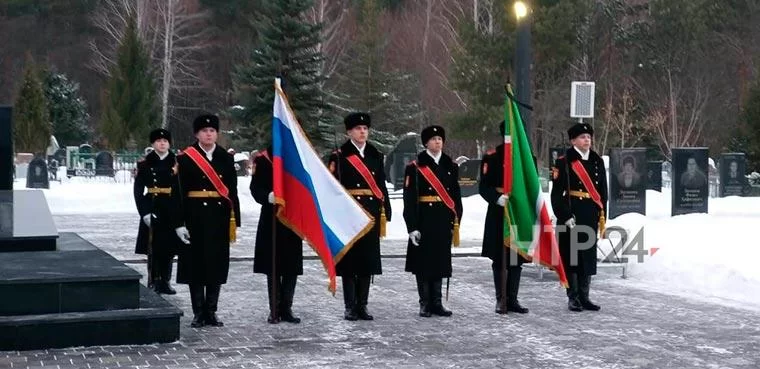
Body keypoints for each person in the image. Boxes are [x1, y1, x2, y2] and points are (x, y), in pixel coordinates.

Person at [172, 114, 241, 328]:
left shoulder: (226, 158)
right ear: (196, 134)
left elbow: (232, 190)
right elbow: (177, 193)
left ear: (217, 134)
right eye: (204, 131)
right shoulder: (185, 158)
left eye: (212, 131)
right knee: (196, 266)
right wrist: (178, 223)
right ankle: (198, 312)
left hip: (218, 218)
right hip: (194, 217)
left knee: (216, 265)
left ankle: (211, 311)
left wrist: (234, 220)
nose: (208, 134)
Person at [327, 112, 392, 321]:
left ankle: (363, 305)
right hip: (349, 212)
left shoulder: (375, 154)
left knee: (367, 261)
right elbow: (332, 187)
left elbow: (380, 184)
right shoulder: (339, 155)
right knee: (350, 262)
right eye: (358, 129)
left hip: (371, 213)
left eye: (365, 129)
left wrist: (386, 209)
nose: (362, 132)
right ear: (349, 132)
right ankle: (350, 306)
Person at [403, 125, 463, 317]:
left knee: (440, 262)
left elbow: (456, 196)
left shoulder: (450, 166)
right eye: (433, 139)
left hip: (443, 220)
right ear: (426, 143)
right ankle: (425, 303)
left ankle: (437, 302)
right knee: (423, 263)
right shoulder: (415, 167)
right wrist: (412, 227)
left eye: (440, 139)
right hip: (424, 220)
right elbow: (409, 199)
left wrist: (456, 220)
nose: (438, 142)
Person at [550, 122, 607, 312]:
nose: (587, 140)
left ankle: (585, 296)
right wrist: (564, 215)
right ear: (573, 140)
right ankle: (573, 297)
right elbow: (556, 194)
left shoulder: (597, 161)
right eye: (583, 137)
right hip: (572, 213)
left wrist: (602, 215)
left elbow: (602, 191)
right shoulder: (564, 161)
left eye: (589, 137)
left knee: (587, 256)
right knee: (571, 257)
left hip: (590, 213)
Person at [478, 120, 530, 314]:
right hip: (499, 211)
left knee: (517, 258)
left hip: (518, 212)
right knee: (500, 259)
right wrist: (497, 198)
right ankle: (501, 300)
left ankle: (513, 299)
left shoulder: (526, 157)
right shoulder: (492, 157)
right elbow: (483, 187)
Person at [250, 146, 304, 324]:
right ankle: (274, 309)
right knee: (273, 265)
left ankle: (287, 308)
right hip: (271, 217)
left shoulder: (299, 157)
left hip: (293, 216)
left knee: (291, 265)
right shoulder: (263, 159)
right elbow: (255, 187)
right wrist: (267, 196)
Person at [134, 128, 180, 295]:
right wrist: (144, 212)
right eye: (159, 141)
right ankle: (153, 280)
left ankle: (165, 281)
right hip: (153, 204)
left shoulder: (177, 162)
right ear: (153, 144)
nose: (162, 143)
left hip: (171, 206)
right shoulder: (145, 164)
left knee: (169, 247)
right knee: (152, 246)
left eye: (165, 141)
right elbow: (138, 190)